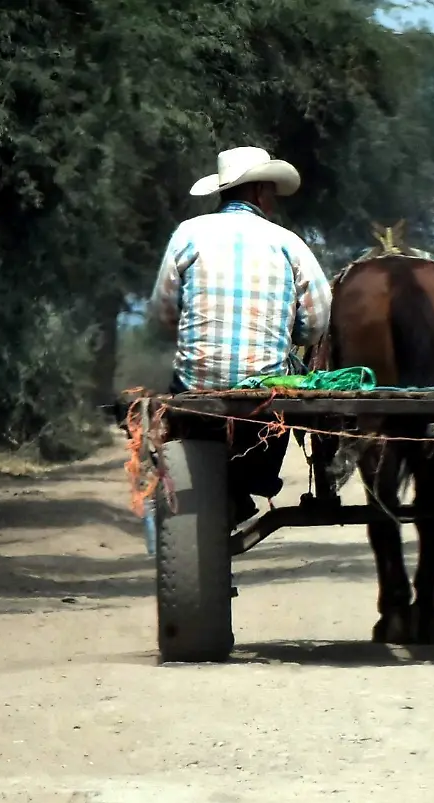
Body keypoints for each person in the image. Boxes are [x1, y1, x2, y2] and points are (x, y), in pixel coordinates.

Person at [147, 146, 332, 529]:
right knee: (285, 388)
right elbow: (317, 321)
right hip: (264, 392)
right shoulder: (288, 242)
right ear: (261, 191)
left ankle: (199, 483)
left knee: (176, 403)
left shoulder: (187, 234)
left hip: (197, 387)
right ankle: (249, 481)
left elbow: (163, 312)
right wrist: (290, 334)